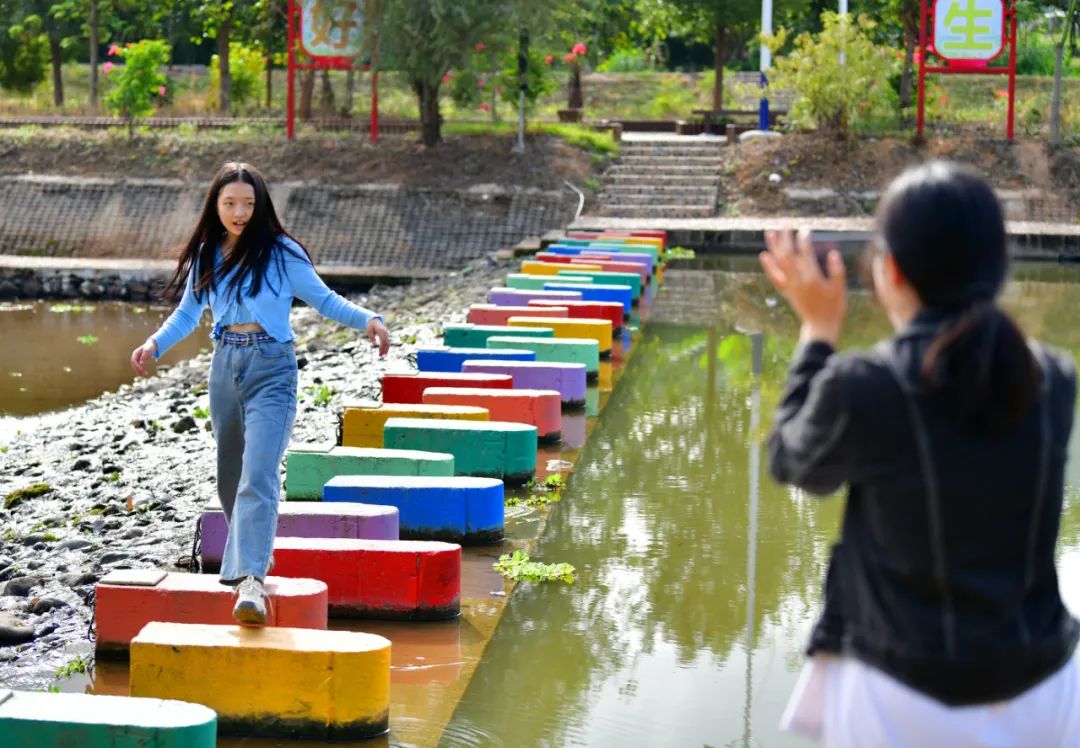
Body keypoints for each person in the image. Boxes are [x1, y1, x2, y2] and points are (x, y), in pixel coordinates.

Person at [760, 161, 1080, 746]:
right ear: (997, 269)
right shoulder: (1055, 378)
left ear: (891, 269)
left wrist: (818, 331)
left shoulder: (866, 385)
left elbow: (793, 460)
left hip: (903, 698)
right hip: (1046, 688)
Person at [130, 161, 390, 625]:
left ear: (261, 206)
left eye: (248, 204)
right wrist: (154, 343)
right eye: (230, 203)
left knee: (259, 474)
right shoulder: (208, 254)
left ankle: (250, 581)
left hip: (273, 368)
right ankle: (254, 557)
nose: (239, 212)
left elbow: (324, 299)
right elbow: (188, 316)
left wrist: (368, 319)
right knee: (230, 477)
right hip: (224, 367)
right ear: (215, 205)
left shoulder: (283, 252)